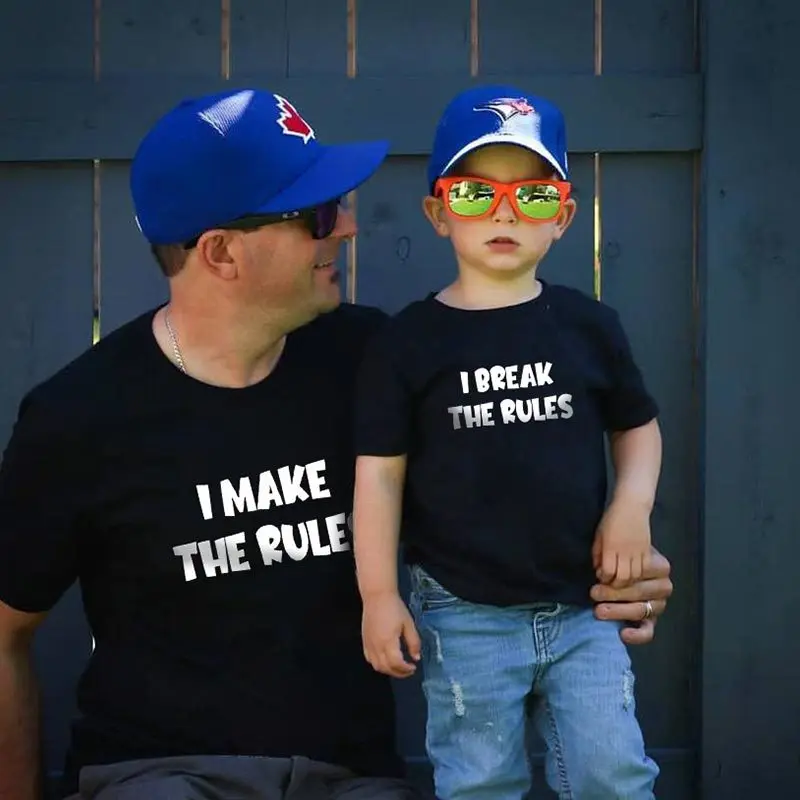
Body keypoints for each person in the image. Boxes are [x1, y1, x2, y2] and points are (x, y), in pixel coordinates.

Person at [0, 87, 672, 800]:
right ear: (222, 252)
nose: (347, 228)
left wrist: (619, 569)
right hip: (160, 776)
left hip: (349, 780)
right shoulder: (79, 418)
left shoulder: (378, 359)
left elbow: (512, 488)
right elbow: (5, 637)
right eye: (318, 213)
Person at [353, 85, 663, 800]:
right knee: (480, 781)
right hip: (464, 612)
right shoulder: (407, 343)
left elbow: (637, 425)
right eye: (473, 194)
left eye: (532, 195)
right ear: (437, 213)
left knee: (611, 774)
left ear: (563, 217)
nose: (502, 211)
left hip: (585, 607)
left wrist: (632, 507)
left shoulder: (588, 326)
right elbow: (380, 478)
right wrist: (377, 592)